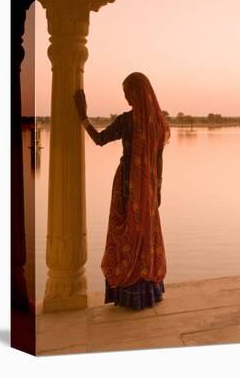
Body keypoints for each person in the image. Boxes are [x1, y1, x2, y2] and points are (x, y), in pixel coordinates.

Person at [74, 72, 170, 310]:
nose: (127, 98)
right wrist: (157, 189)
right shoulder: (158, 123)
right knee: (143, 237)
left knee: (125, 235)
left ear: (137, 93)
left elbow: (99, 139)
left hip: (128, 188)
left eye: (129, 93)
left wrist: (83, 116)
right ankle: (148, 292)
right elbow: (158, 161)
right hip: (148, 190)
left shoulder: (127, 121)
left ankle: (128, 292)